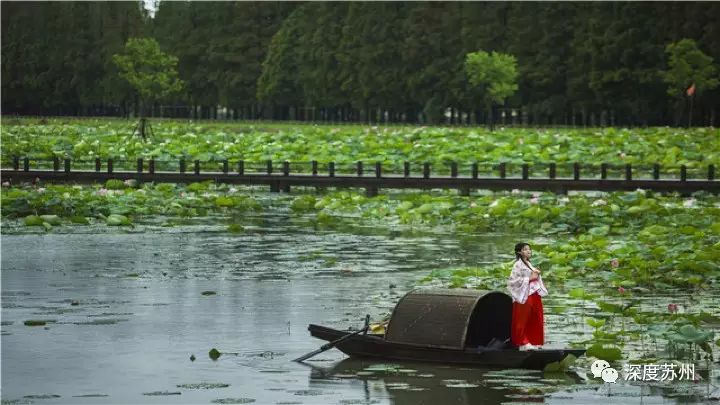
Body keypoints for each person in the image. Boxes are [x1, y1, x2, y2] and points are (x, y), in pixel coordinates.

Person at [507, 242, 548, 351]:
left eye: (529, 249)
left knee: (536, 317)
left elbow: (534, 277)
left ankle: (534, 341)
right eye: (525, 249)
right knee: (522, 319)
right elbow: (512, 282)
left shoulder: (529, 264)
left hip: (534, 293)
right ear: (519, 252)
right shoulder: (517, 265)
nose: (528, 251)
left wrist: (536, 275)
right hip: (523, 294)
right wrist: (530, 278)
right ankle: (522, 342)